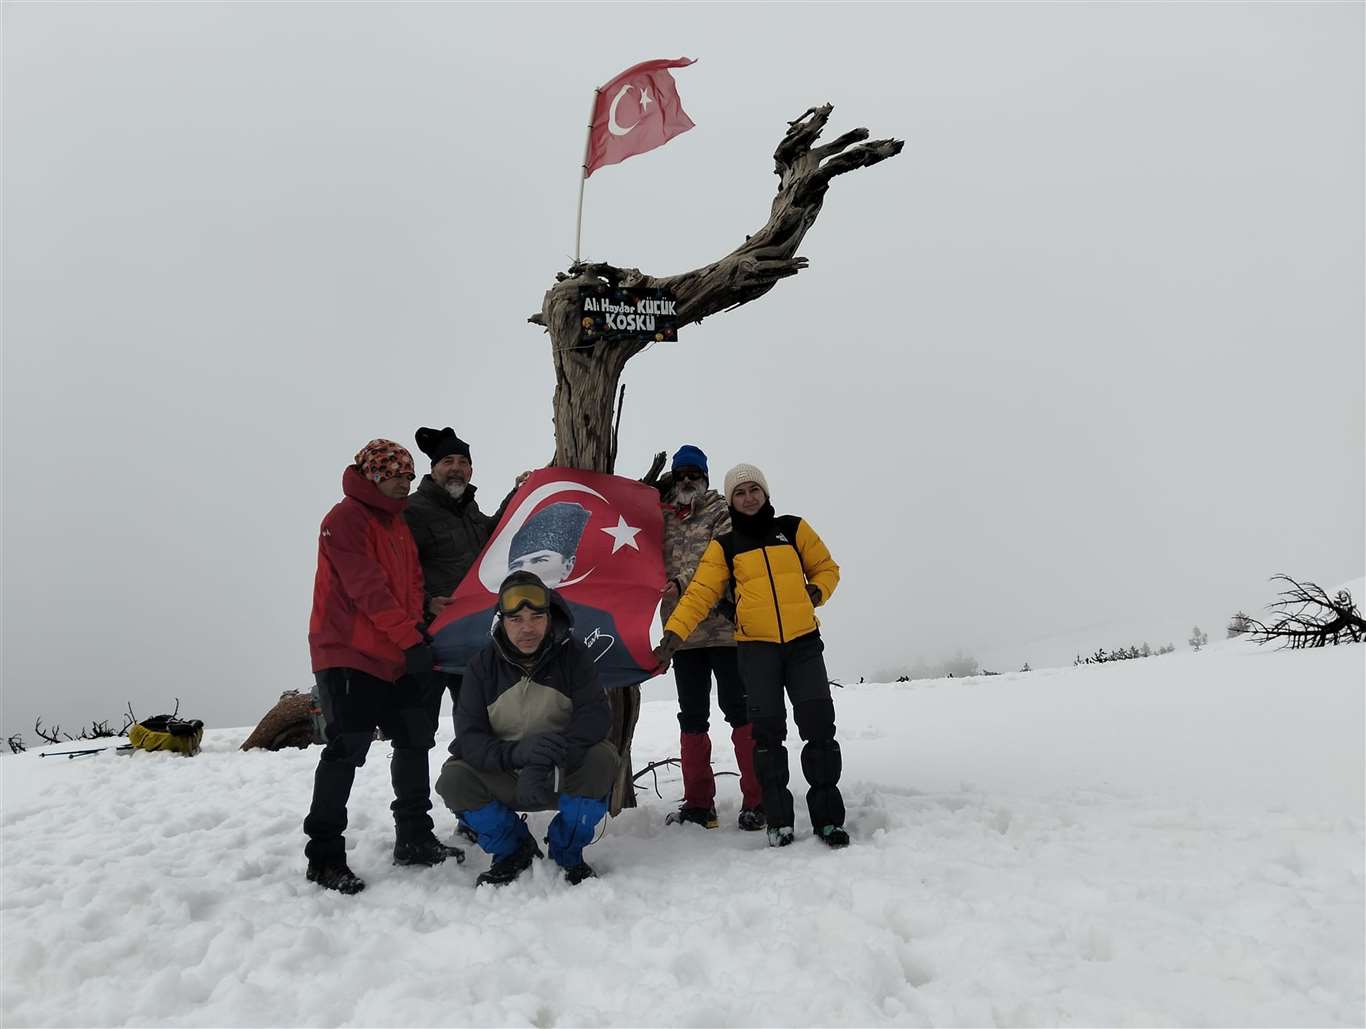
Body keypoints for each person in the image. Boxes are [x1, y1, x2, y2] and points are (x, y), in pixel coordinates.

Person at [653, 463, 850, 850]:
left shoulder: (792, 529)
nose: (748, 498)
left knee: (819, 732)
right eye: (739, 493)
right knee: (767, 738)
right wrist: (672, 637)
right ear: (731, 499)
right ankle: (778, 822)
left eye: (753, 490)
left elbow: (827, 568)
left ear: (764, 493)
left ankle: (828, 820)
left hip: (804, 645)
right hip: (757, 649)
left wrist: (816, 592)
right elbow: (699, 595)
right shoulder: (725, 547)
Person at [303, 439, 456, 895]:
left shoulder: (397, 523)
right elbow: (366, 591)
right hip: (349, 653)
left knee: (414, 740)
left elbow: (405, 585)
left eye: (409, 477)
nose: (404, 483)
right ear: (373, 474)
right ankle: (324, 857)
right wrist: (411, 639)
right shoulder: (344, 520)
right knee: (346, 750)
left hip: (394, 650)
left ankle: (414, 838)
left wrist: (424, 611)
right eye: (395, 476)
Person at [435, 571, 619, 886]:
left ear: (550, 617)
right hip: (506, 776)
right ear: (501, 622)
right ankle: (512, 850)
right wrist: (517, 754)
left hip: (560, 771)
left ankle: (567, 852)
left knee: (602, 759)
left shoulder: (573, 656)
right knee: (454, 779)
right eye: (516, 619)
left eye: (536, 616)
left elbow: (595, 717)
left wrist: (544, 759)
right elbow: (470, 738)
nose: (527, 628)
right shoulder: (481, 667)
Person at [657, 445, 763, 831]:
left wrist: (679, 583)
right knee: (692, 719)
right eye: (680, 474)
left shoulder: (723, 513)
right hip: (683, 637)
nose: (687, 480)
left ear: (705, 476)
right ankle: (700, 804)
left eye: (694, 473)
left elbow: (719, 564)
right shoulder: (661, 518)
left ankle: (758, 800)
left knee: (740, 713)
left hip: (725, 631)